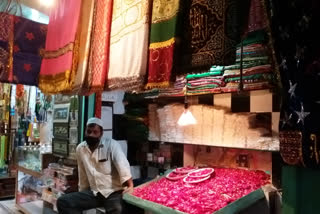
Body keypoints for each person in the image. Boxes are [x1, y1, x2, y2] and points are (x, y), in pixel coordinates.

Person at [57, 117, 133, 214]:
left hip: (113, 192)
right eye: (88, 131)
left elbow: (122, 165)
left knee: (117, 209)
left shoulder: (111, 145)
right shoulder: (80, 148)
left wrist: (130, 185)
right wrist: (82, 193)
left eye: (95, 132)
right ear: (85, 131)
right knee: (63, 202)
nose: (91, 135)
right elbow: (82, 173)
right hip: (94, 193)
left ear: (101, 134)